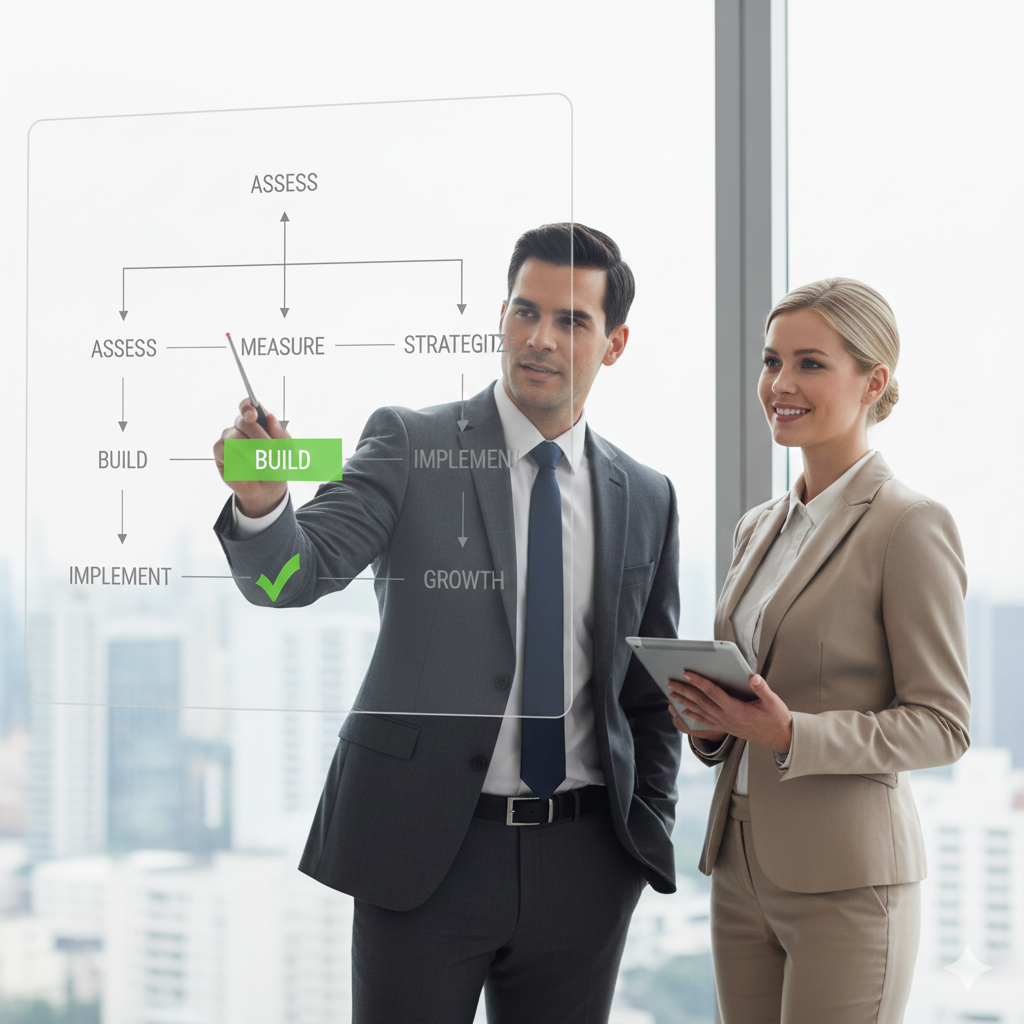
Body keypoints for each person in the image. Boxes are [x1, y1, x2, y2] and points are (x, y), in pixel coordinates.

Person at [212, 223, 682, 1024]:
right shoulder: (408, 441)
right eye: (524, 311)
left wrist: (641, 838)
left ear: (615, 343)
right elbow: (300, 573)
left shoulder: (645, 493)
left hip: (585, 864)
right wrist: (265, 506)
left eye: (572, 321)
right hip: (426, 851)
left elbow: (648, 691)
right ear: (500, 314)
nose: (540, 338)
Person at [666, 278, 970, 1024]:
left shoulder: (910, 526)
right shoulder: (758, 527)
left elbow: (942, 725)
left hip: (849, 883)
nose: (781, 384)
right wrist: (711, 722)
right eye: (773, 362)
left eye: (809, 363)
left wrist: (791, 734)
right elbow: (754, 698)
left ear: (874, 382)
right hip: (741, 865)